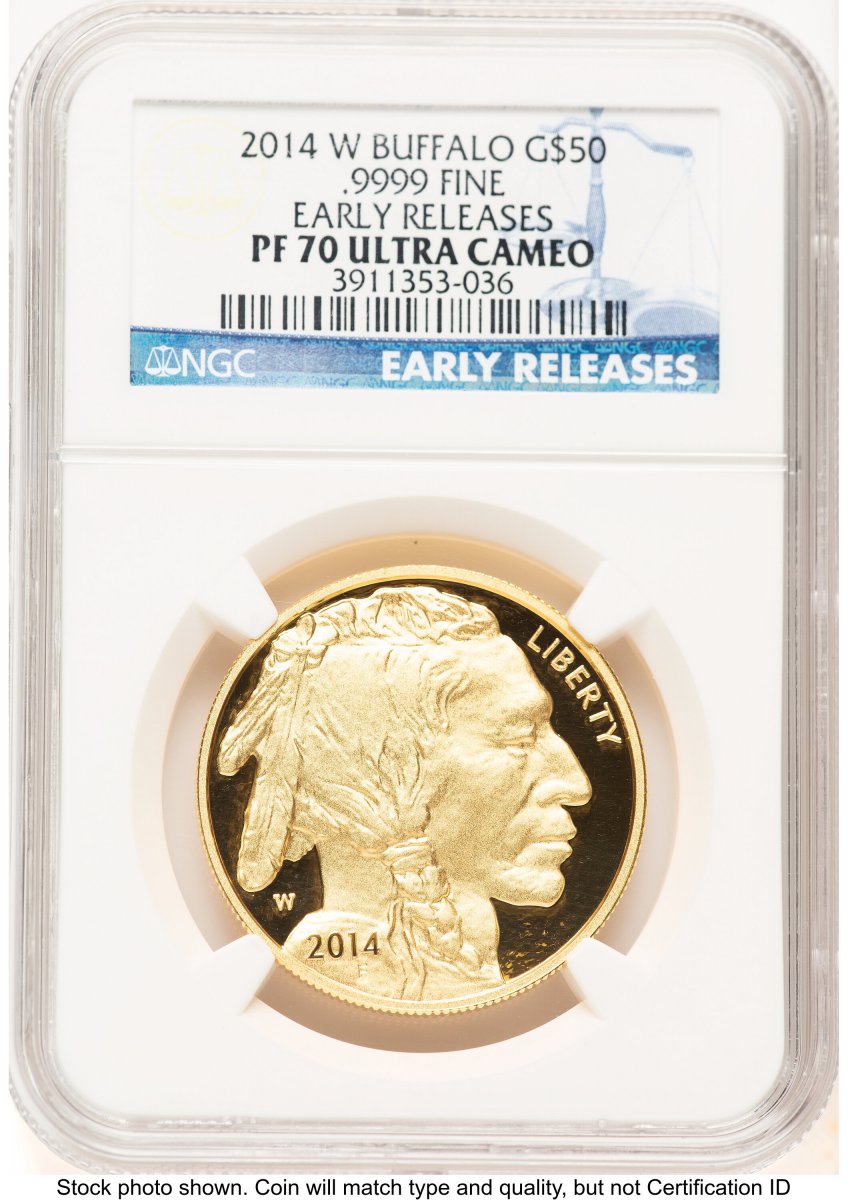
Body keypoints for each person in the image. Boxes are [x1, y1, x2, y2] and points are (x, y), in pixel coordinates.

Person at [217, 585, 591, 1003]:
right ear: (387, 783)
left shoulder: (457, 973)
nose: (577, 785)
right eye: (519, 738)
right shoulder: (362, 981)